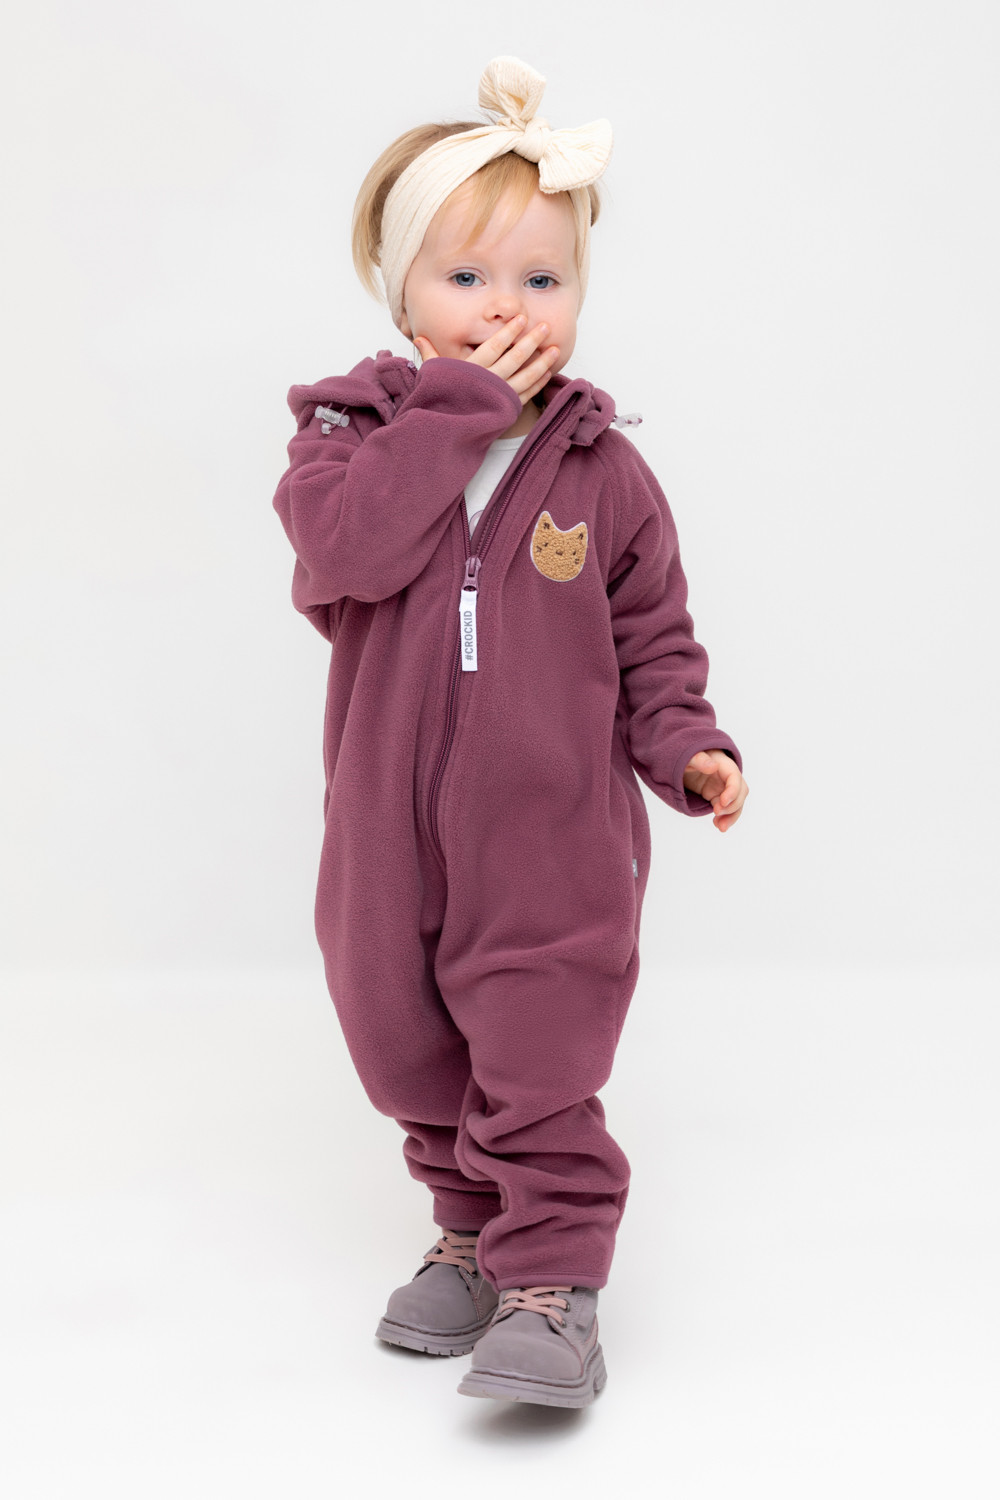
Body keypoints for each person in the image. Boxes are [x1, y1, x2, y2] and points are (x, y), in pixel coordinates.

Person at [272, 55, 749, 1409]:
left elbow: (653, 634)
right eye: (468, 278)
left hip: (552, 837)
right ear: (400, 295)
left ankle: (552, 1278)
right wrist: (458, 411)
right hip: (385, 832)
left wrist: (687, 744)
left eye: (543, 279)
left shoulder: (605, 471)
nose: (506, 308)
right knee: (399, 1033)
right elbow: (347, 559)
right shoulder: (344, 445)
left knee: (538, 1050)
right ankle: (472, 1232)